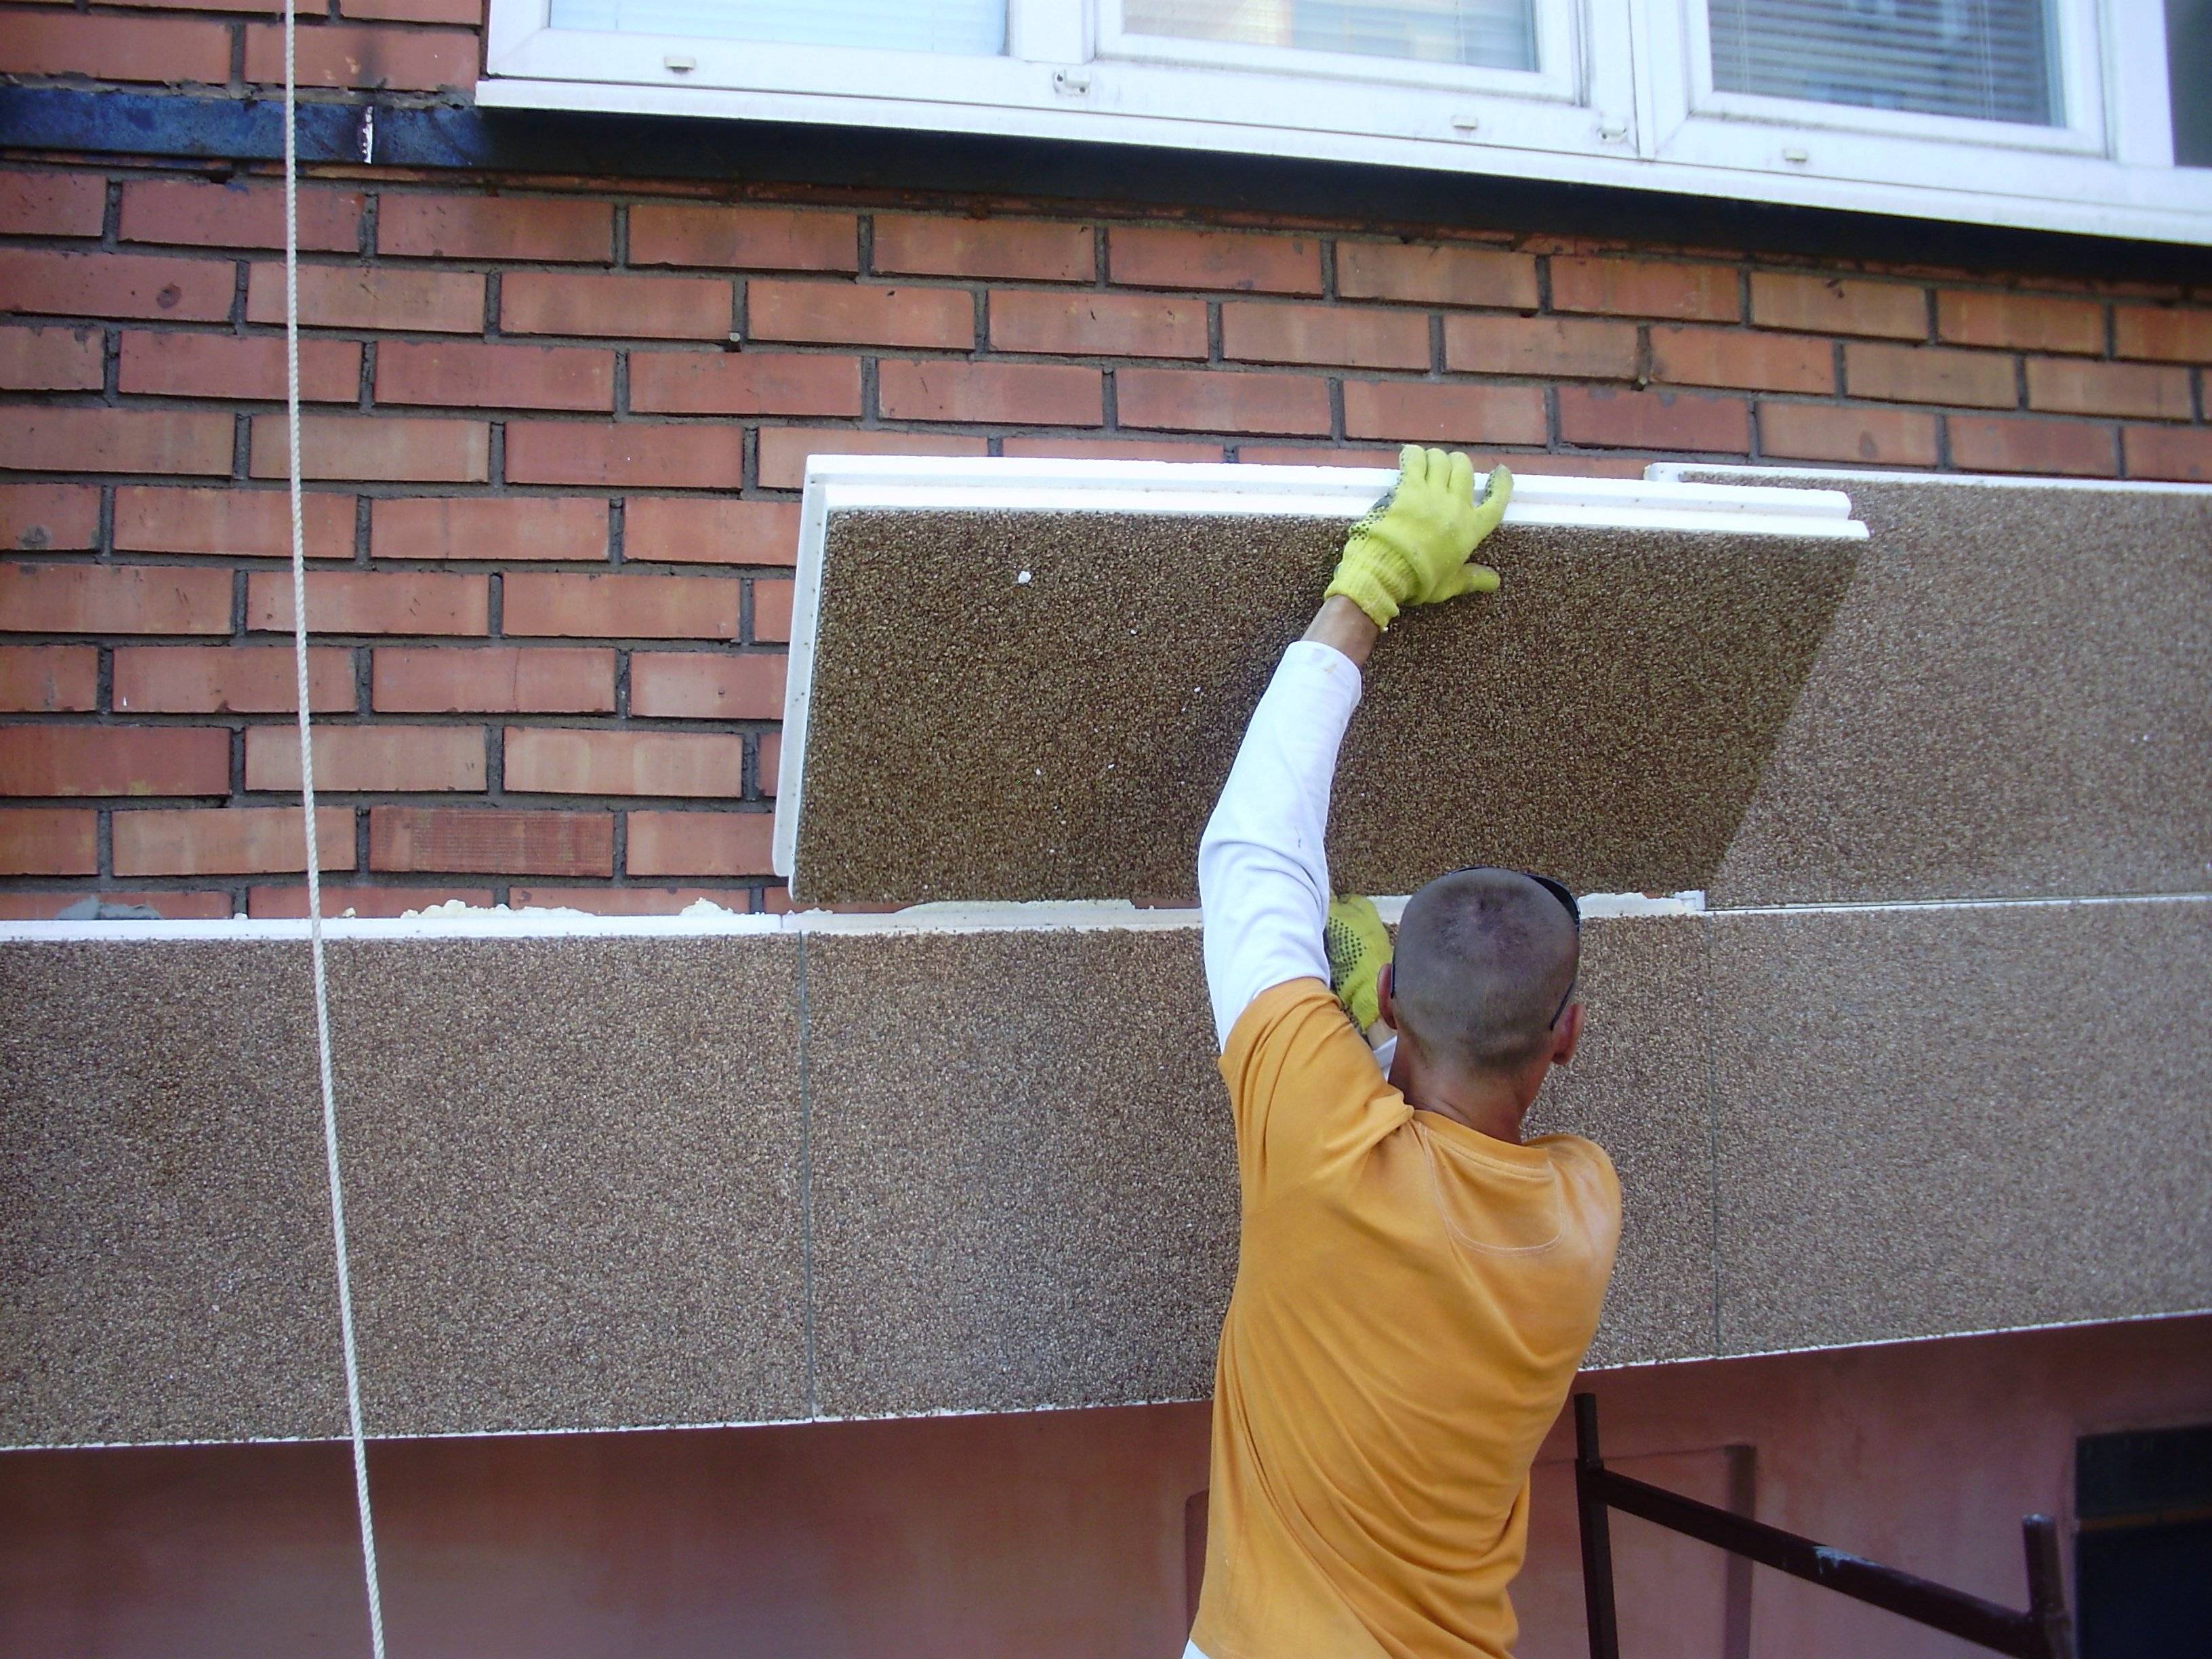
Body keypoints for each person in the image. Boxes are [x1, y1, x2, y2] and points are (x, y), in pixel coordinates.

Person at [1188, 447, 1622, 1659]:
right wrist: (1373, 1032)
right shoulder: (1583, 1214)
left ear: (1385, 988)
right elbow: (1444, 1143)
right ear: (1568, 1038)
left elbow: (1255, 853)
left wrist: (1370, 585)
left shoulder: (1325, 1143)